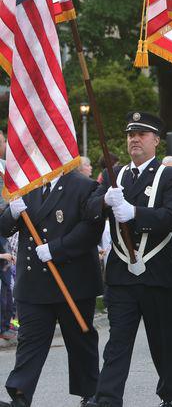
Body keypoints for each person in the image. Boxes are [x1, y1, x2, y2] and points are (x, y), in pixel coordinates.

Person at [87, 112, 172, 407]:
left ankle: (169, 395)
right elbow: (89, 209)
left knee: (163, 342)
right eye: (131, 134)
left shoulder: (170, 175)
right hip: (121, 274)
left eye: (141, 134)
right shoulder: (115, 175)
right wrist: (104, 201)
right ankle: (107, 398)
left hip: (157, 273)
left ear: (156, 140)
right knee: (118, 342)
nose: (135, 139)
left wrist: (135, 213)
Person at [0, 171, 104, 407]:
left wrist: (57, 249)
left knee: (80, 341)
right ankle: (20, 395)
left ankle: (90, 394)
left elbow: (91, 228)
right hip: (34, 282)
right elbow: (4, 228)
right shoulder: (27, 186)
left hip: (72, 280)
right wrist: (12, 212)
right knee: (29, 342)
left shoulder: (84, 186)